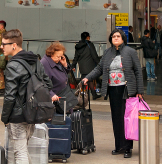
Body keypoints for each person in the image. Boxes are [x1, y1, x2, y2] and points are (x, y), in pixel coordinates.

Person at [82, 30, 144, 158]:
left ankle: (127, 148)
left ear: (123, 38)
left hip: (127, 89)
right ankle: (119, 146)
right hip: (113, 89)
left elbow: (138, 71)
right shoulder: (107, 52)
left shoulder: (130, 52)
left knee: (126, 119)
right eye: (113, 36)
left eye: (118, 36)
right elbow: (99, 68)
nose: (115, 38)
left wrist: (140, 91)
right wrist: (87, 78)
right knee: (116, 118)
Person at [3, 29, 60, 164]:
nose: (1, 47)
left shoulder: (12, 65)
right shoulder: (35, 60)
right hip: (33, 112)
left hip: (17, 115)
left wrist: (5, 117)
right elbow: (48, 84)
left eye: (4, 44)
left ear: (14, 45)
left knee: (19, 152)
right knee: (23, 149)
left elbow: (10, 96)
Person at [42, 41, 77, 109]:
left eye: (61, 56)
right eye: (58, 56)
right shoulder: (44, 64)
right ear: (51, 54)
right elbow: (42, 83)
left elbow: (63, 74)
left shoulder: (57, 61)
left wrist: (65, 65)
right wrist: (51, 94)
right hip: (56, 99)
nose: (60, 59)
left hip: (64, 95)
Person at [73, 32, 101, 96]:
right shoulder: (90, 45)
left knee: (86, 78)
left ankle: (90, 94)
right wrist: (99, 63)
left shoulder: (78, 46)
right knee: (89, 78)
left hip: (82, 66)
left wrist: (73, 65)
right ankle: (85, 93)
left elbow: (76, 57)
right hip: (89, 65)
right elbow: (94, 56)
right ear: (88, 37)